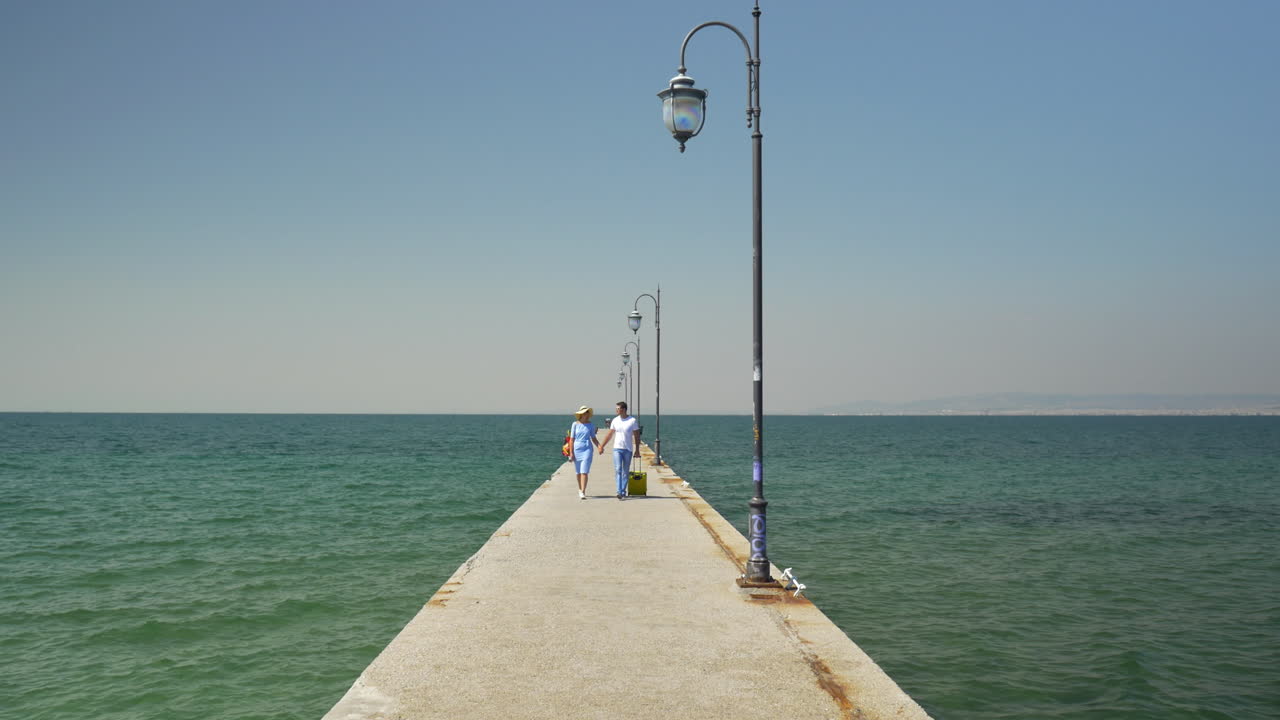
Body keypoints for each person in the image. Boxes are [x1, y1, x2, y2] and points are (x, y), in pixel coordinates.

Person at [597, 400, 640, 500]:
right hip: (617, 448)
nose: (616, 410)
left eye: (618, 409)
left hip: (628, 449)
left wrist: (637, 450)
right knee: (618, 469)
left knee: (625, 471)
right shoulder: (615, 420)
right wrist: (601, 446)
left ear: (624, 409)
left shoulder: (632, 420)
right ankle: (619, 491)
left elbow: (637, 436)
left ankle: (623, 491)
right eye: (616, 409)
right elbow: (610, 434)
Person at [568, 406, 601, 500]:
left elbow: (593, 438)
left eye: (587, 413)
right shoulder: (575, 424)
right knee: (578, 472)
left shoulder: (590, 425)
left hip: (587, 449)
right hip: (577, 449)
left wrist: (599, 446)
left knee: (584, 472)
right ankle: (580, 489)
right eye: (585, 413)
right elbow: (571, 439)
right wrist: (571, 453)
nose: (586, 414)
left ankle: (583, 491)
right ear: (581, 414)